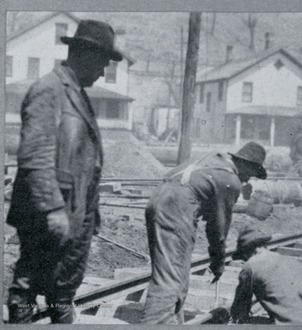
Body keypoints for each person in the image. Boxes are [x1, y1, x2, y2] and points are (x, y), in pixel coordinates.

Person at [6, 20, 123, 324]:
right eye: (103, 62)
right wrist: (53, 208)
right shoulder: (49, 90)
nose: (102, 71)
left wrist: (90, 211)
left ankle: (60, 313)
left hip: (74, 207)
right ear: (85, 54)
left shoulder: (77, 93)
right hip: (49, 210)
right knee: (29, 280)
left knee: (62, 285)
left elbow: (86, 159)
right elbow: (35, 157)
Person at [141, 142, 268, 324]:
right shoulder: (230, 181)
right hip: (176, 209)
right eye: (251, 174)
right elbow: (218, 228)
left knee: (174, 273)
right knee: (169, 280)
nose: (248, 180)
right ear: (245, 164)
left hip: (158, 201)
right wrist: (218, 262)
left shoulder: (213, 159)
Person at [230, 225, 302, 325]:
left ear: (246, 251)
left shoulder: (251, 265)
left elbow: (239, 311)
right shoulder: (287, 259)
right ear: (264, 245)